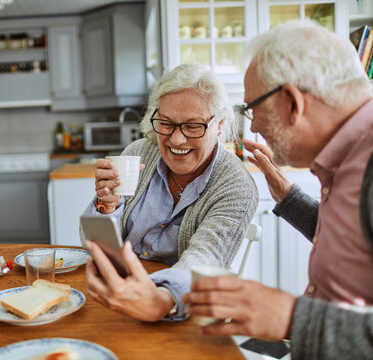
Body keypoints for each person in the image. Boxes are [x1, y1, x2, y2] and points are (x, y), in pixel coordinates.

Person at [183, 20, 373, 360]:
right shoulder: (348, 155)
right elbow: (357, 247)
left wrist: (291, 318)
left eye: (253, 108)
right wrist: (289, 198)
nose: (252, 125)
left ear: (292, 102)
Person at [83, 63, 259, 322]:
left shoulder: (235, 186)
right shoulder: (137, 153)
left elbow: (204, 261)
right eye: (166, 123)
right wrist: (106, 206)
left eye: (193, 126)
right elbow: (91, 244)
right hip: (118, 295)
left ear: (219, 124)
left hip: (179, 308)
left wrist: (160, 299)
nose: (176, 140)